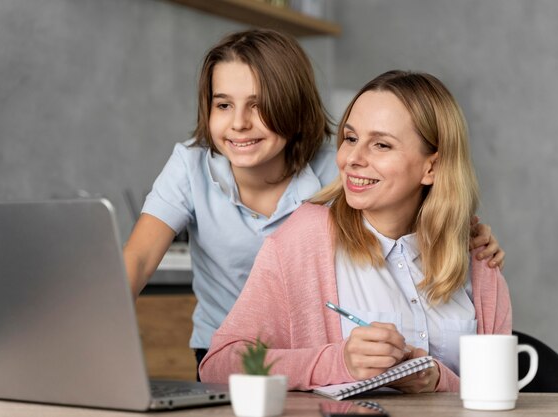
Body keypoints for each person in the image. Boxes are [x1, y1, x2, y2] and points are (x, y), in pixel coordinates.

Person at [122, 29, 504, 375]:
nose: (238, 123)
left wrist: (466, 231)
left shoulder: (333, 166)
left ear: (292, 106)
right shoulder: (191, 166)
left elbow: (407, 193)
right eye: (223, 105)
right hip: (230, 346)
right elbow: (137, 260)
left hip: (312, 344)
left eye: (257, 105)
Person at [199, 70, 511, 393]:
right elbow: (219, 365)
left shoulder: (477, 256)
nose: (352, 159)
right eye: (350, 138)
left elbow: (497, 392)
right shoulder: (306, 238)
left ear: (431, 167)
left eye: (381, 145)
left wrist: (436, 379)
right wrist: (340, 362)